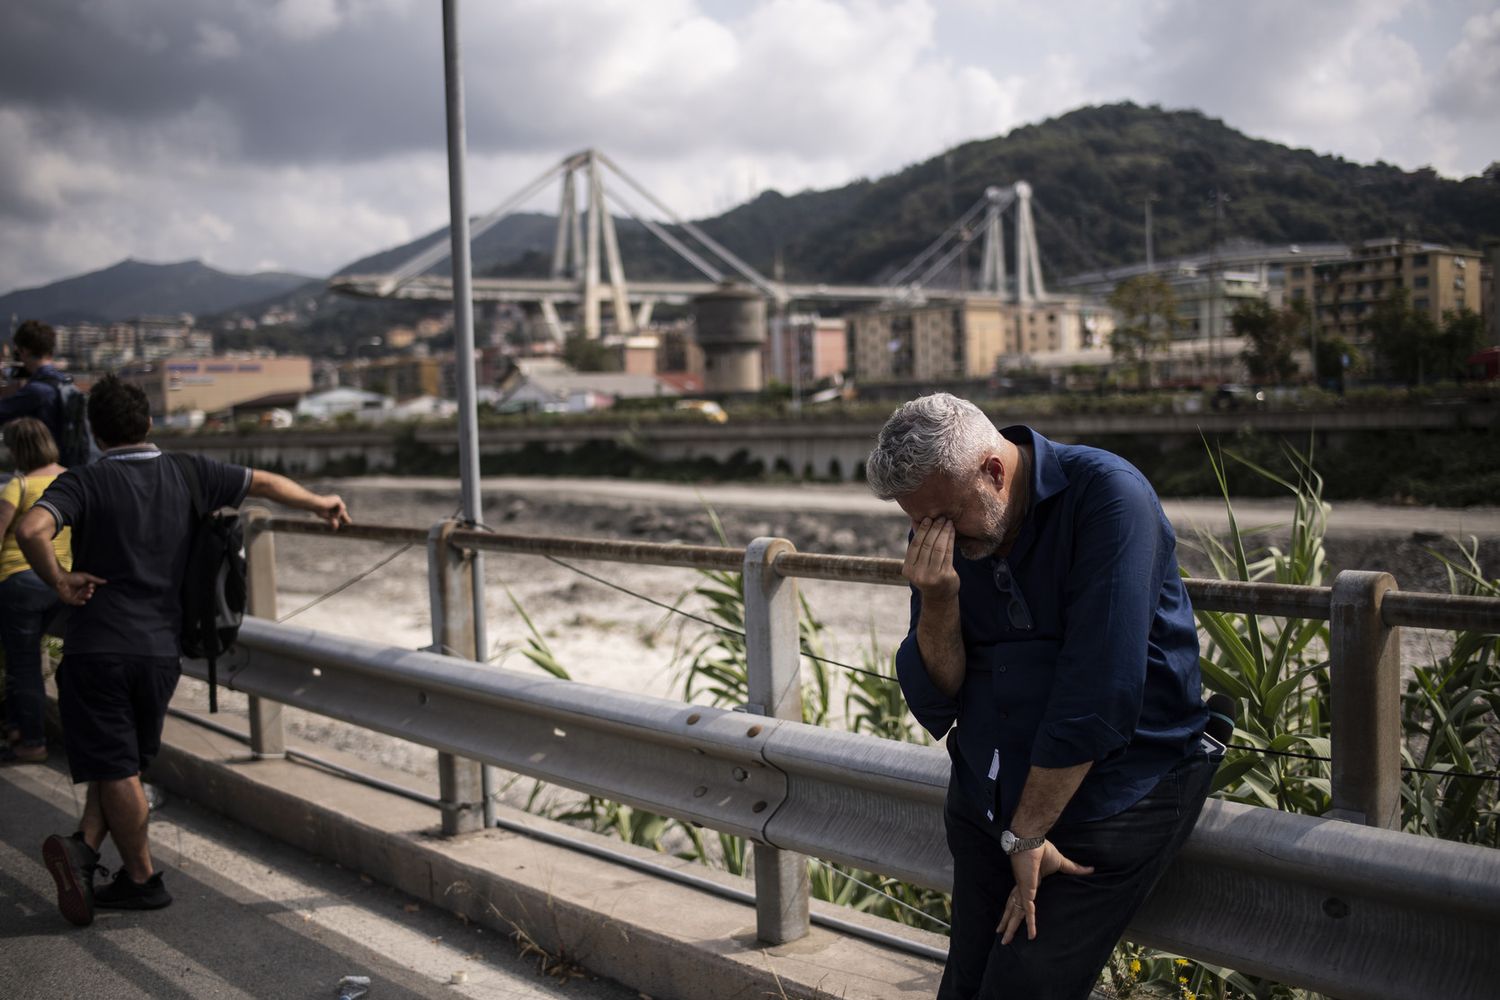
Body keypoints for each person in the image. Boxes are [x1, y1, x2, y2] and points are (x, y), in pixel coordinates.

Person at [865, 393, 1216, 1000]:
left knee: (1021, 988)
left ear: (995, 472)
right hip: (989, 795)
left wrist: (1027, 834)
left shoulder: (1108, 497)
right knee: (964, 988)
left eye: (944, 518)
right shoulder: (949, 527)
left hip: (1110, 792)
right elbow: (938, 697)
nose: (932, 536)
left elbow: (1099, 691)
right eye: (917, 522)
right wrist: (940, 599)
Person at [16, 373, 351, 927]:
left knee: (116, 765)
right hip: (161, 651)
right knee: (118, 762)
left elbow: (31, 529)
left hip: (97, 646)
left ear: (96, 435)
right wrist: (320, 502)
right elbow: (264, 482)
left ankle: (144, 880)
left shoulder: (85, 481)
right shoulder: (189, 470)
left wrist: (59, 581)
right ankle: (85, 852)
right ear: (149, 423)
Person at [0, 418, 73, 766]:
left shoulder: (19, 485)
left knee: (24, 664)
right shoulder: (71, 479)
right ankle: (17, 730)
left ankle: (30, 741)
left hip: (19, 582)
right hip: (61, 582)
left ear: (19, 449)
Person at [0, 320, 72, 447]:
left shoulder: (36, 391)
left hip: (43, 461)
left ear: (25, 351)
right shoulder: (65, 382)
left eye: (18, 352)